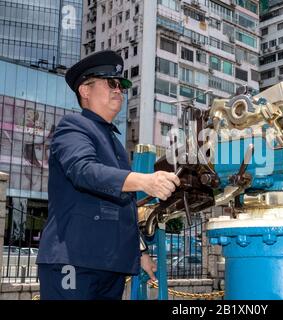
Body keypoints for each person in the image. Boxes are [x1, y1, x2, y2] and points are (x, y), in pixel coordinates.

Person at [36, 50, 180, 300]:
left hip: (109, 266)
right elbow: (84, 171)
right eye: (111, 83)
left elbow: (122, 207)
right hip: (74, 261)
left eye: (122, 85)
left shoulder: (114, 142)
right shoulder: (73, 127)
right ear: (85, 90)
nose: (119, 90)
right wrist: (145, 180)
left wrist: (140, 253)